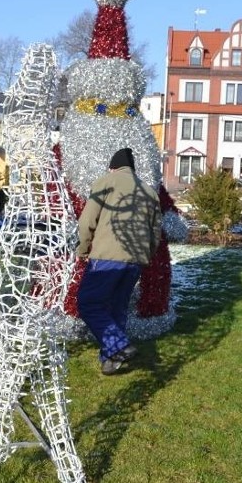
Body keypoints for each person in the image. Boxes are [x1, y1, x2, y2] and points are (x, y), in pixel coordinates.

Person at [75, 148, 162, 375]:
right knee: (117, 307)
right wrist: (147, 255)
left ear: (113, 167)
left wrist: (83, 248)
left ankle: (119, 346)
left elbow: (87, 222)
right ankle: (111, 360)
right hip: (136, 260)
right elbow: (155, 232)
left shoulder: (106, 182)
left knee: (88, 303)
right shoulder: (149, 192)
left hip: (108, 257)